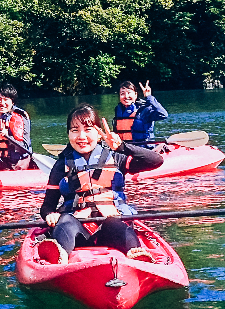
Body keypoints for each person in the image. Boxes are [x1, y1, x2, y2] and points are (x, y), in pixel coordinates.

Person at [36, 103, 165, 264]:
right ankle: (59, 257)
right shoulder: (61, 165)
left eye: (88, 129)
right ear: (68, 134)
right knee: (65, 221)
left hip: (111, 224)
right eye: (75, 130)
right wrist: (50, 215)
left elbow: (156, 160)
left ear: (99, 134)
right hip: (78, 228)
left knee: (115, 223)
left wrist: (122, 147)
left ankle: (136, 256)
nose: (81, 136)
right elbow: (47, 206)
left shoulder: (116, 158)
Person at [114, 79, 168, 147]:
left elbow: (163, 114)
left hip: (143, 149)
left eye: (129, 92)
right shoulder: (118, 111)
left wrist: (149, 97)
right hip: (125, 149)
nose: (126, 96)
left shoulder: (145, 110)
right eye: (122, 94)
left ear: (135, 95)